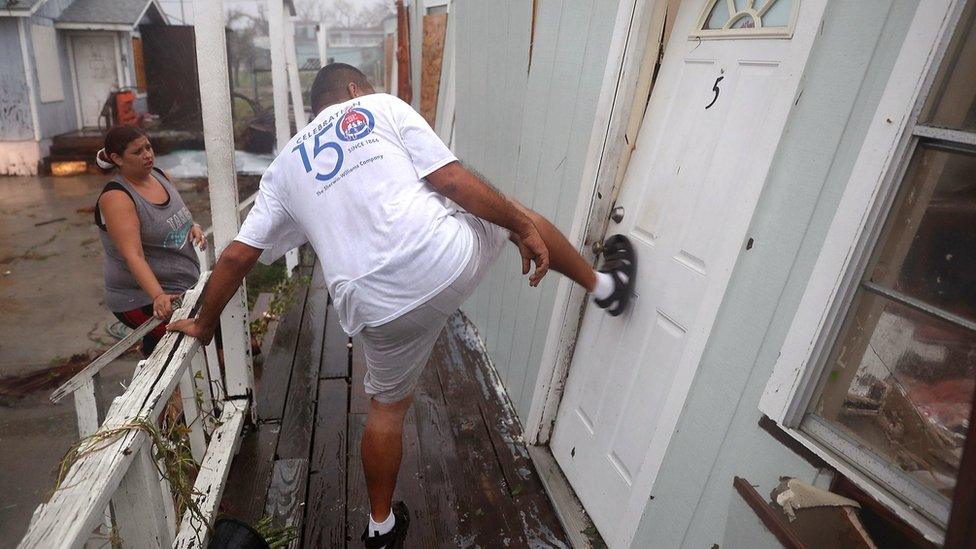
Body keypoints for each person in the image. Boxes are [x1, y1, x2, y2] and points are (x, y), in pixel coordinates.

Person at [168, 63, 636, 548]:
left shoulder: (284, 167)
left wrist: (203, 324)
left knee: (387, 408)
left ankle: (381, 526)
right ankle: (604, 286)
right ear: (354, 90)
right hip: (439, 261)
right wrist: (518, 225)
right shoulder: (380, 107)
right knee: (516, 214)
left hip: (370, 306)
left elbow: (239, 254)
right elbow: (452, 181)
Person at [94, 125, 207, 357]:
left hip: (183, 286)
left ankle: (151, 350)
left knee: (239, 344)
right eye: (137, 152)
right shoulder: (117, 198)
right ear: (117, 158)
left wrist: (193, 227)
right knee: (194, 354)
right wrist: (158, 296)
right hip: (141, 298)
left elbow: (177, 215)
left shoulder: (160, 175)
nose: (147, 155)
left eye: (148, 147)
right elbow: (133, 255)